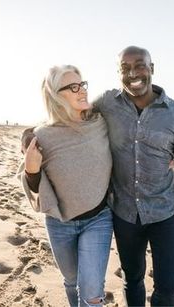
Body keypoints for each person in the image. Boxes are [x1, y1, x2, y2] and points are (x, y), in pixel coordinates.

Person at [93, 46, 174, 307]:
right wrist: (36, 131)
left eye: (140, 65)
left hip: (165, 213)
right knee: (132, 279)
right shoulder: (106, 104)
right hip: (124, 213)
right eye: (125, 68)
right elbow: (73, 119)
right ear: (118, 73)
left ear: (152, 68)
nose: (133, 73)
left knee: (168, 290)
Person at [18, 65, 113, 307]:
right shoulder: (42, 136)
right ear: (55, 96)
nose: (82, 91)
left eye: (82, 84)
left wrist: (164, 154)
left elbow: (131, 132)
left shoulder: (101, 123)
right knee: (71, 282)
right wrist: (31, 170)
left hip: (99, 219)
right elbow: (36, 191)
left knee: (91, 293)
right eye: (73, 87)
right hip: (60, 223)